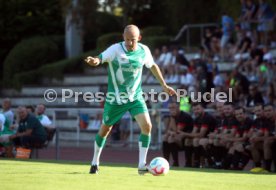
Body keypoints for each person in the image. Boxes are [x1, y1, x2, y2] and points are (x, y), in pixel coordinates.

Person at [84, 24, 176, 174]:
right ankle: (95, 162)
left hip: (135, 97)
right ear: (123, 37)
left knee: (147, 126)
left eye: (132, 40)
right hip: (115, 99)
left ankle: (141, 165)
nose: (129, 43)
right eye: (126, 39)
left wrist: (164, 85)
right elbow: (99, 58)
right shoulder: (115, 49)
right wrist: (94, 61)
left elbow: (152, 66)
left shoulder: (144, 50)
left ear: (139, 38)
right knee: (105, 130)